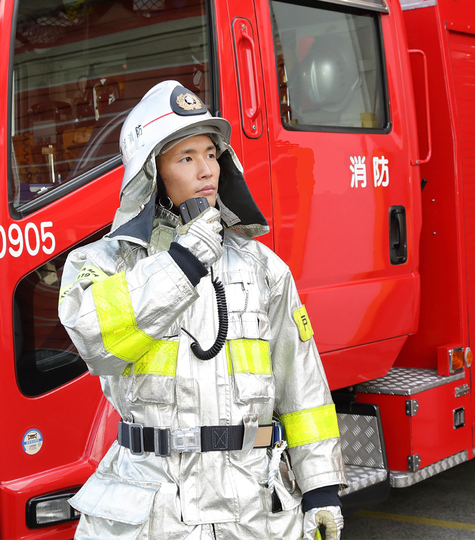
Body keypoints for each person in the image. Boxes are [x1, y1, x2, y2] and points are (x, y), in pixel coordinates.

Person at [58, 80, 346, 540]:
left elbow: (303, 386)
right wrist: (183, 263)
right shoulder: (103, 263)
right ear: (151, 173)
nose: (206, 169)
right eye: (186, 157)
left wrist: (321, 489)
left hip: (254, 510)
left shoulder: (264, 267)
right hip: (154, 511)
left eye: (211, 154)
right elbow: (97, 345)